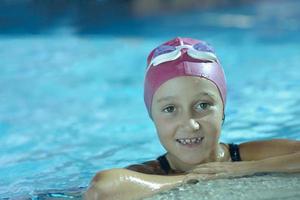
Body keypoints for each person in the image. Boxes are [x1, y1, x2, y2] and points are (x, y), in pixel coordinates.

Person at [84, 37, 300, 200]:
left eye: (203, 106)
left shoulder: (241, 157)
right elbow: (100, 189)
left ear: (223, 110)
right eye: (170, 109)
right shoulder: (152, 173)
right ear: (152, 117)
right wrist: (197, 178)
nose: (190, 124)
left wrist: (243, 169)